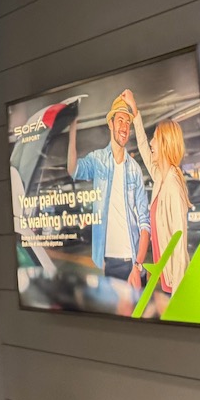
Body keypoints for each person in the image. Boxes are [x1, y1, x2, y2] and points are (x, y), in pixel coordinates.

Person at [69, 92, 151, 290]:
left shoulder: (134, 169)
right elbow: (73, 170)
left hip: (132, 262)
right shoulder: (97, 160)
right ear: (111, 124)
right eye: (120, 120)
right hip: (107, 263)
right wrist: (72, 131)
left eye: (128, 123)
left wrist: (138, 265)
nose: (124, 127)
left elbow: (144, 223)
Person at [128, 91, 192, 299]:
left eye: (155, 139)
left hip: (176, 282)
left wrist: (178, 295)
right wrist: (135, 112)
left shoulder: (172, 186)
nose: (152, 144)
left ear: (164, 144)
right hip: (167, 277)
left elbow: (179, 244)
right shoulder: (161, 179)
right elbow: (144, 149)